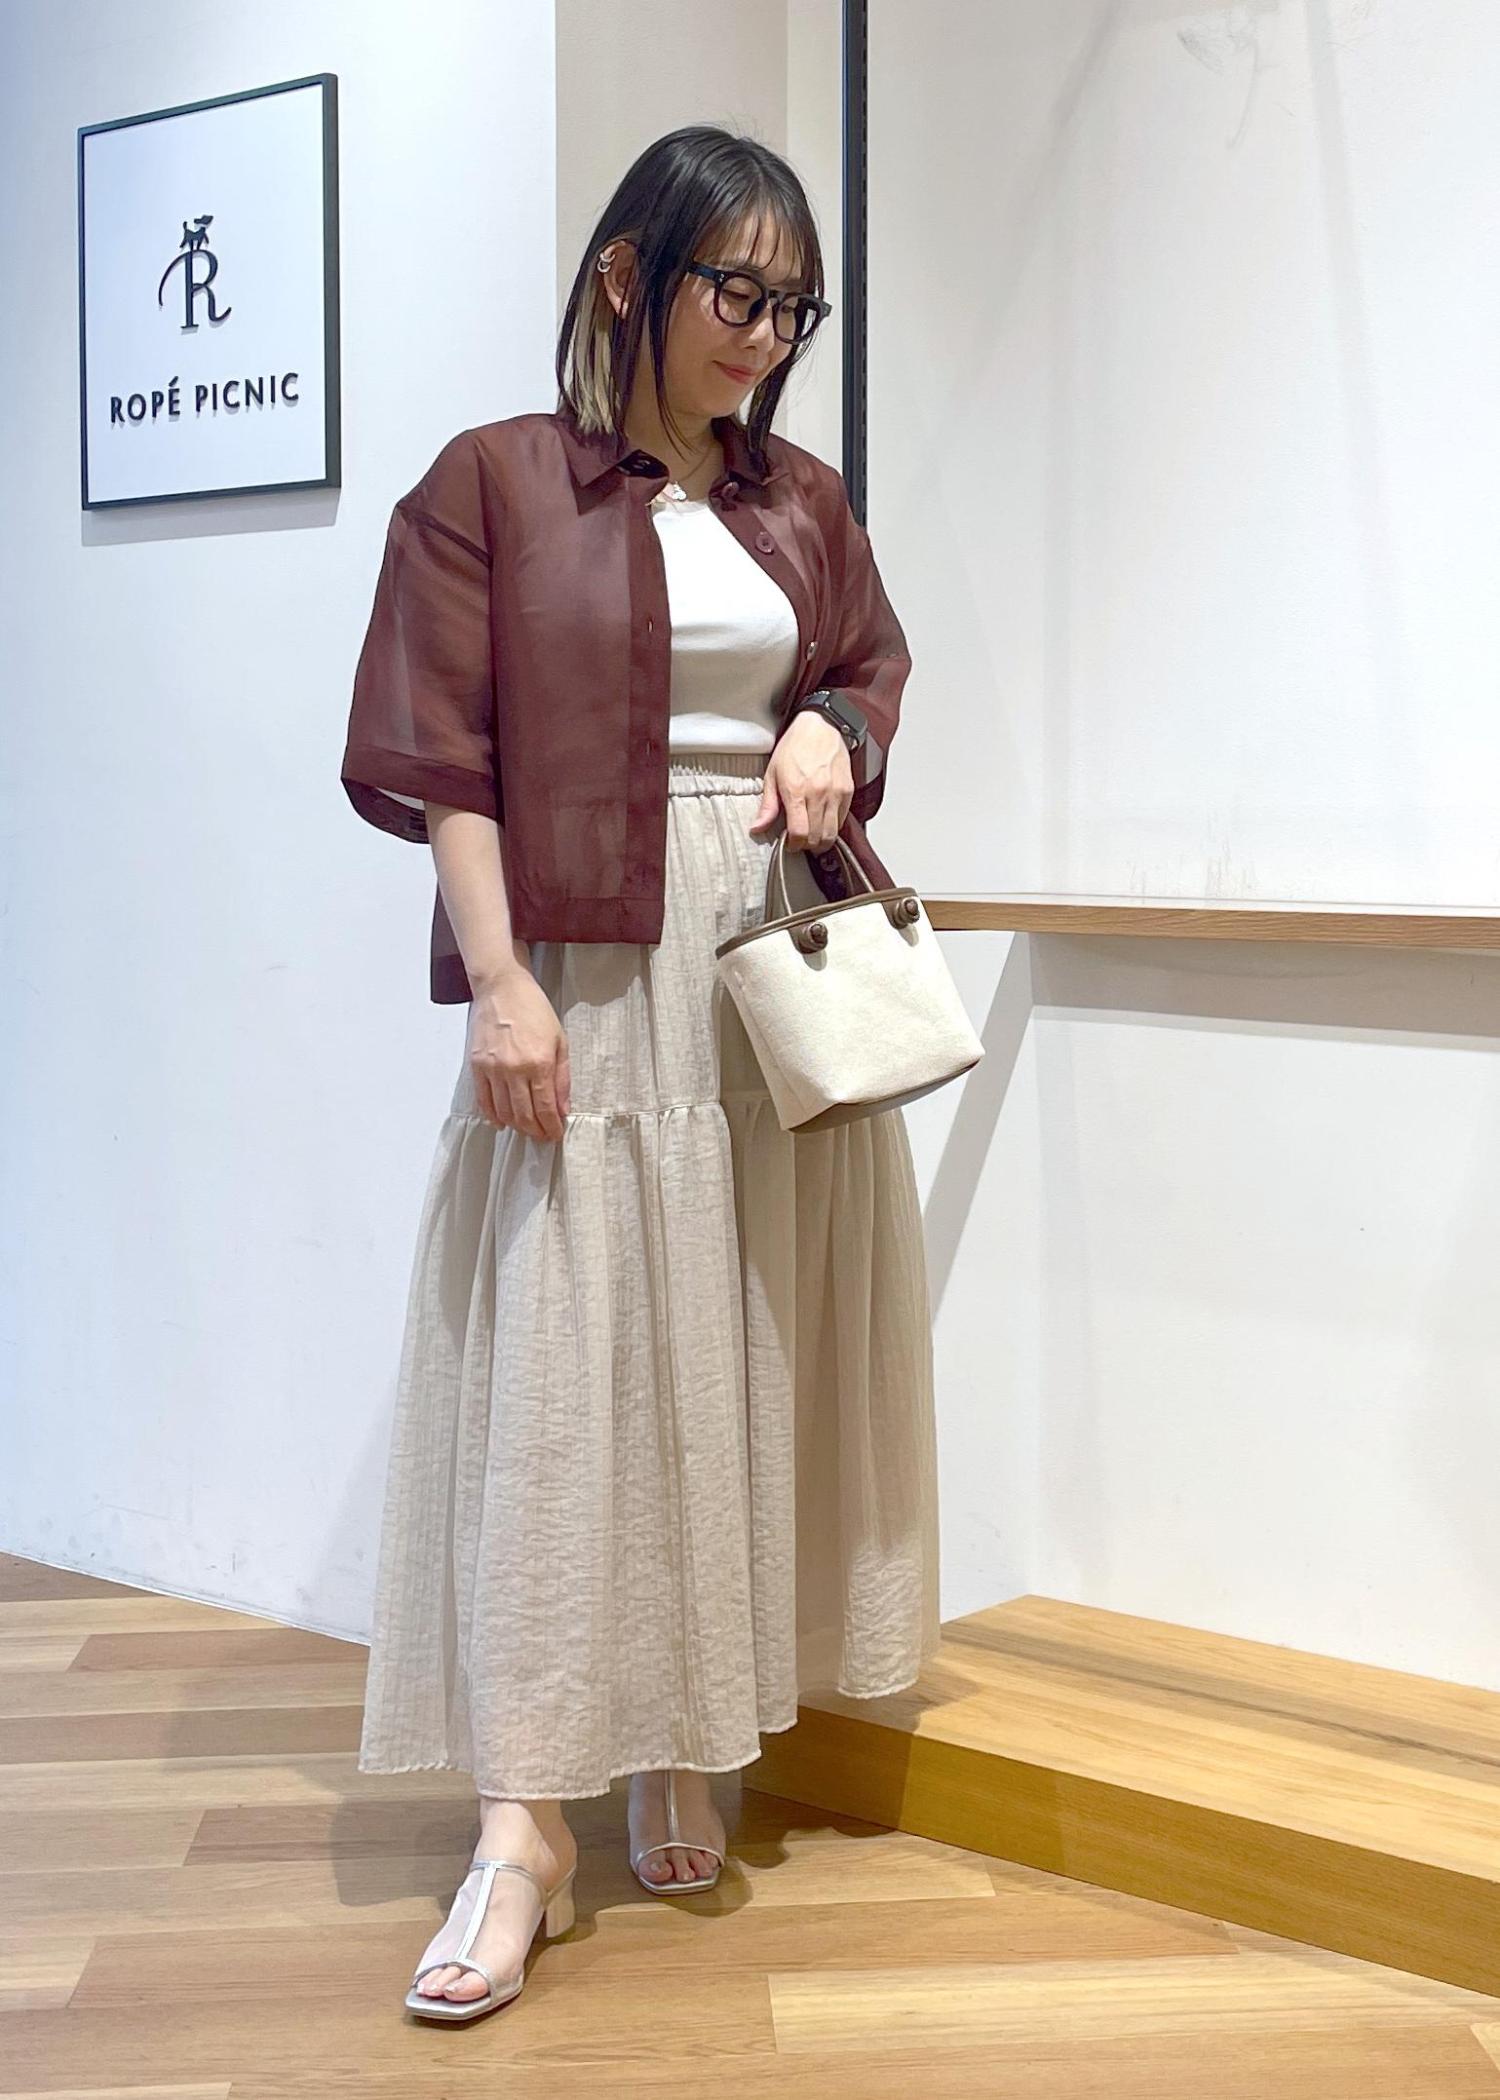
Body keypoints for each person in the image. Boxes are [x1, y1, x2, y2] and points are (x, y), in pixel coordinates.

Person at [340, 123, 941, 2023]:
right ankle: (521, 1824)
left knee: (734, 1341)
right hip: (589, 967)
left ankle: (689, 1730)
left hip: (761, 969)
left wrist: (833, 727)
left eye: (793, 306)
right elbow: (444, 752)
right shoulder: (493, 483)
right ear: (627, 274)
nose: (763, 334)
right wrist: (500, 982)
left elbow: (867, 661)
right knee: (568, 1363)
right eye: (733, 291)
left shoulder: (800, 498)